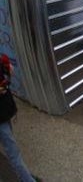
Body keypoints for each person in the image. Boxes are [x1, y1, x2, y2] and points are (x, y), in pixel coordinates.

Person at [0, 54, 37, 182]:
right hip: (2, 116)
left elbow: (8, 73)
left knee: (12, 149)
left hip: (4, 112)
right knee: (12, 151)